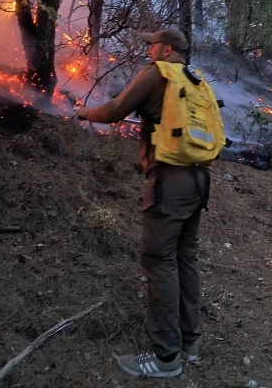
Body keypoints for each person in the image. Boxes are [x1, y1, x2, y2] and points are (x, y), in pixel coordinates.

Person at [76, 28, 208, 378]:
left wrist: (85, 113)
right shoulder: (194, 78)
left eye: (152, 45)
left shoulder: (156, 73)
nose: (148, 50)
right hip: (198, 179)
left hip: (170, 184)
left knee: (159, 260)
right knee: (185, 256)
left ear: (166, 49)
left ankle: (166, 358)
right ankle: (190, 342)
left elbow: (116, 110)